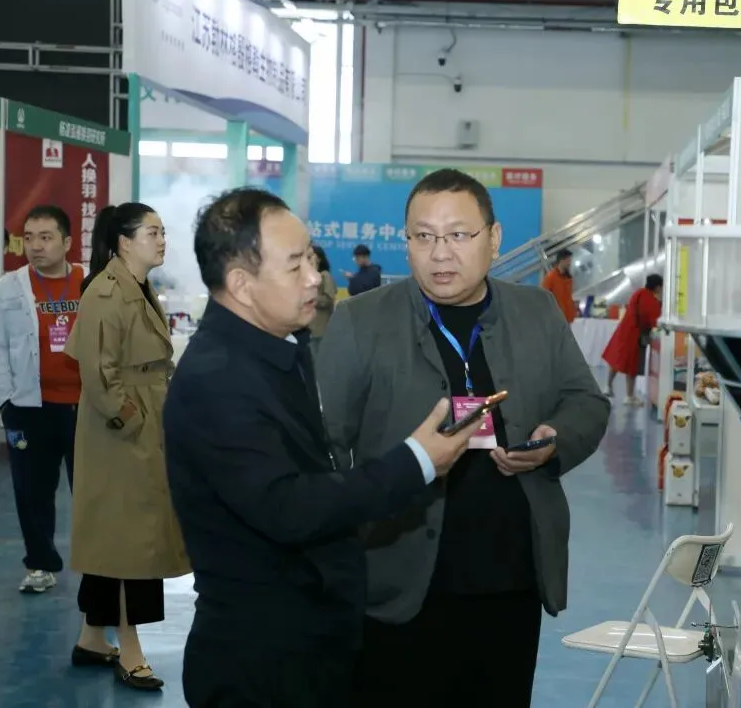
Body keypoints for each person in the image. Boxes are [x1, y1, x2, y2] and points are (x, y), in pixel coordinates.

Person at [163, 187, 481, 708]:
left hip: (309, 642)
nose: (314, 277)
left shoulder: (279, 347)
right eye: (295, 266)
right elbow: (289, 506)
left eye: (311, 258)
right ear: (241, 284)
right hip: (261, 663)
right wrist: (418, 461)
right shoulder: (217, 380)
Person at [319, 168, 610, 707]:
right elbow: (326, 447)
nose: (440, 253)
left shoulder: (536, 312)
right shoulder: (361, 322)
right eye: (423, 236)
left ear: (493, 239)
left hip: (510, 581)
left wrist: (555, 439)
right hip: (398, 584)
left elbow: (586, 402)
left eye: (458, 234)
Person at [64, 202, 189, 691]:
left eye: (162, 231)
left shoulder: (137, 286)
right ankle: (130, 648)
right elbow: (99, 376)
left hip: (143, 420)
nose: (161, 240)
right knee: (130, 542)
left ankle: (93, 637)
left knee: (116, 535)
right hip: (121, 431)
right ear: (124, 241)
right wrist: (132, 420)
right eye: (152, 232)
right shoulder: (106, 292)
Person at [0, 205, 82, 594]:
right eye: (29, 238)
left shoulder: (89, 282)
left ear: (67, 242)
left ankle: (100, 566)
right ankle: (40, 565)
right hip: (29, 408)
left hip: (85, 409)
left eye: (46, 237)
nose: (36, 246)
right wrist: (6, 401)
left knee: (92, 492)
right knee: (32, 491)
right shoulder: (10, 286)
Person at [602, 273, 663, 405]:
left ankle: (608, 386)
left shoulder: (638, 293)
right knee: (632, 365)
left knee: (616, 359)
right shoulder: (652, 301)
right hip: (636, 335)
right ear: (658, 287)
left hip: (624, 330)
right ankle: (629, 396)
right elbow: (655, 323)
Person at [309, 244, 337, 355]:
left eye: (312, 256)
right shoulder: (309, 277)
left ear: (319, 259)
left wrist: (311, 298)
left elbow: (328, 300)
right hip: (309, 328)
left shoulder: (325, 276)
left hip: (320, 328)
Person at [541, 248, 577, 323]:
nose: (570, 263)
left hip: (568, 318)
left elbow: (568, 297)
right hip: (556, 319)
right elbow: (544, 298)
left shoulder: (568, 278)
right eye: (568, 260)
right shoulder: (550, 278)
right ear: (561, 260)